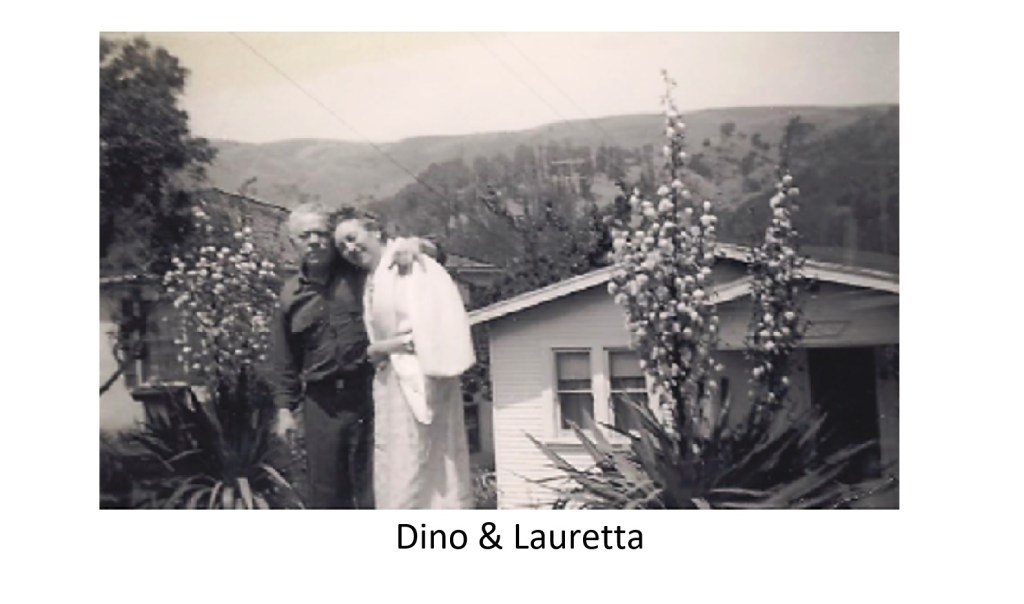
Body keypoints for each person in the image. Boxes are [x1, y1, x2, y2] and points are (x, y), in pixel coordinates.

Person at [334, 212, 475, 509]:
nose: (349, 249)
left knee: (421, 467)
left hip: (421, 378)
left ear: (374, 231)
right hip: (393, 382)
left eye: (352, 238)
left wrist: (380, 347)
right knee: (399, 464)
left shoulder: (406, 262)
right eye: (342, 246)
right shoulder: (373, 277)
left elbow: (433, 326)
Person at [268, 201, 375, 509]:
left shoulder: (362, 276)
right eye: (305, 236)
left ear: (332, 238)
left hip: (368, 396)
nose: (314, 241)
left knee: (374, 489)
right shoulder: (289, 296)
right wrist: (285, 411)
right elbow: (284, 360)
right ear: (293, 243)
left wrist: (422, 247)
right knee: (326, 496)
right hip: (321, 405)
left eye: (321, 233)